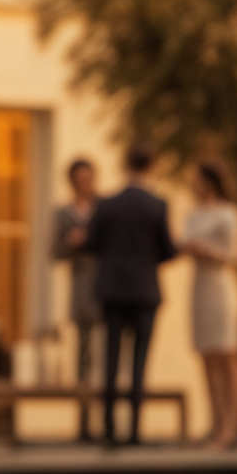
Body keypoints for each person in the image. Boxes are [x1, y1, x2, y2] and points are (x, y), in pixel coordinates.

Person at [85, 144, 177, 447]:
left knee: (110, 360)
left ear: (125, 165)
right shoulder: (157, 205)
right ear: (150, 167)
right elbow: (168, 250)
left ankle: (109, 428)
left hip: (112, 290)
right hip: (144, 291)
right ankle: (135, 430)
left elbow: (92, 243)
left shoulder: (107, 204)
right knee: (139, 362)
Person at [181, 163, 237, 451]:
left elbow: (234, 255)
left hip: (222, 287)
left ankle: (232, 428)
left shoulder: (229, 213)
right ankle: (215, 423)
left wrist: (206, 250)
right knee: (207, 356)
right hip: (200, 288)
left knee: (228, 355)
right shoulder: (193, 214)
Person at [52, 156, 102, 436]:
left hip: (106, 289)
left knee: (106, 356)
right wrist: (70, 243)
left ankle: (108, 420)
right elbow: (54, 251)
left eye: (88, 179)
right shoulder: (63, 213)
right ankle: (84, 424)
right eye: (79, 180)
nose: (85, 184)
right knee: (83, 358)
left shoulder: (105, 209)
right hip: (81, 291)